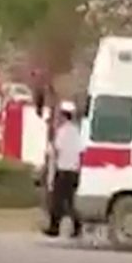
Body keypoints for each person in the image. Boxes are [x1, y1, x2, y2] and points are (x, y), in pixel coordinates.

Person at [43, 100, 84, 238]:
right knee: (69, 201)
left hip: (63, 169)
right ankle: (77, 226)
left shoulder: (62, 131)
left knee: (57, 201)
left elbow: (57, 150)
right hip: (74, 170)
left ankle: (55, 227)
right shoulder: (77, 131)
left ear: (64, 116)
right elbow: (81, 151)